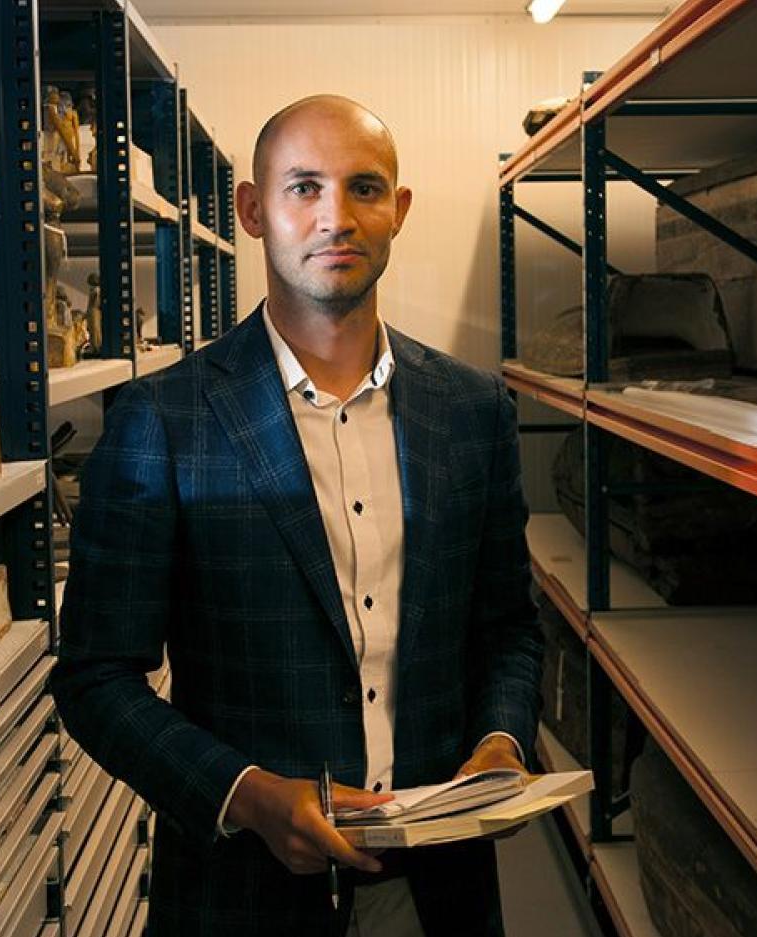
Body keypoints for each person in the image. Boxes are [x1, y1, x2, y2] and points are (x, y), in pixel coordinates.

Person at [51, 95, 543, 936]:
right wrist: (247, 794)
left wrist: (502, 741)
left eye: (364, 189)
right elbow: (96, 678)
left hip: (436, 889)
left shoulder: (472, 412)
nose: (336, 217)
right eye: (304, 188)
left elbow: (507, 628)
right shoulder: (165, 421)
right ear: (252, 211)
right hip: (243, 893)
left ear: (400, 211)